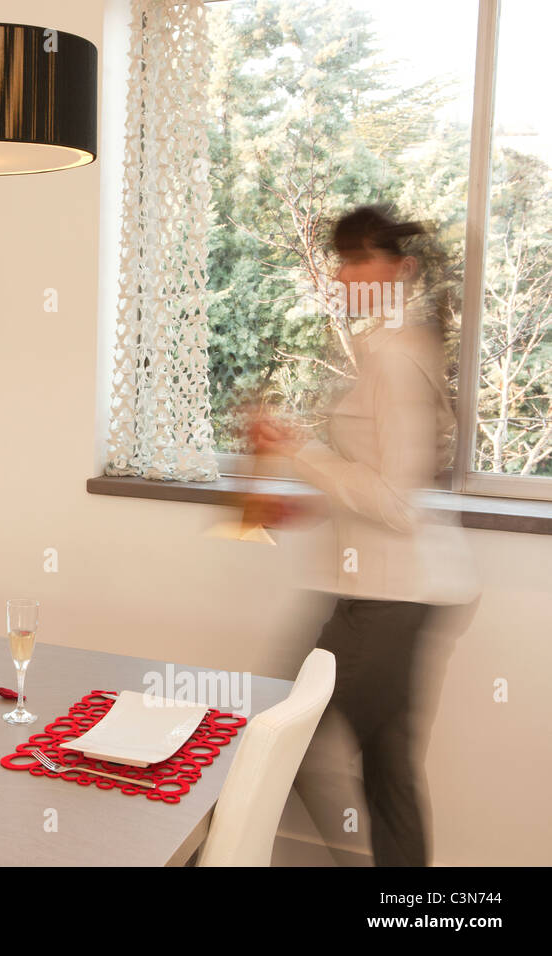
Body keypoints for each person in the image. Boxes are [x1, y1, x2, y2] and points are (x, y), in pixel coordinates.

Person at [252, 205, 479, 866]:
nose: (344, 273)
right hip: (380, 590)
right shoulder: (385, 344)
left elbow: (397, 502)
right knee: (386, 769)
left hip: (390, 598)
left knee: (279, 740)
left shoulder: (396, 354)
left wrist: (296, 452)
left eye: (357, 259)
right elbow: (376, 478)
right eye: (341, 259)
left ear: (399, 269)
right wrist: (305, 506)